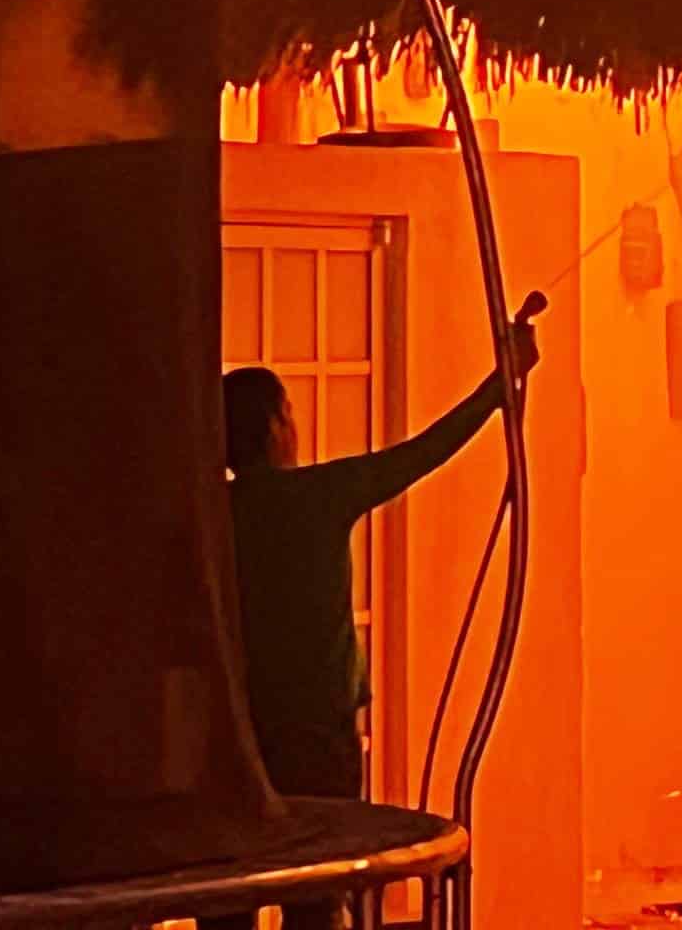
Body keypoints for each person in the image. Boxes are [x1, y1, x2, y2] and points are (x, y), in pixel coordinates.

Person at [221, 314, 539, 807]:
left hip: (248, 735)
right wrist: (498, 387)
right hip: (323, 732)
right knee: (335, 857)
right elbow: (423, 453)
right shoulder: (319, 496)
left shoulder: (215, 512)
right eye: (288, 414)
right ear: (274, 427)